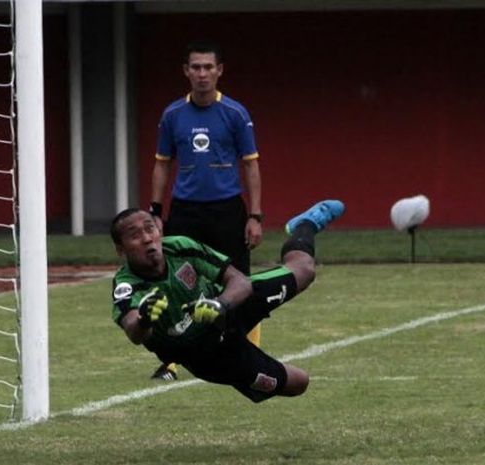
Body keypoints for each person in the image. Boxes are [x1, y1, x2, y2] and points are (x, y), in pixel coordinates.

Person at [110, 199, 345, 402]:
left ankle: (305, 224)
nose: (147, 238)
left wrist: (220, 304)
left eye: (150, 229)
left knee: (304, 270)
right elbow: (134, 332)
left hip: (228, 307)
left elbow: (239, 281)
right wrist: (144, 319)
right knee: (299, 383)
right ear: (121, 250)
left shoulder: (180, 247)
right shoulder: (126, 285)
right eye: (135, 236)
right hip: (208, 356)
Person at [148, 39, 263, 380]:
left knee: (238, 280)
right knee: (179, 281)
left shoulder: (235, 114)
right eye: (195, 67)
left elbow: (252, 166)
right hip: (186, 211)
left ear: (219, 71)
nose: (202, 73)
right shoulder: (172, 115)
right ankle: (171, 359)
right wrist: (155, 209)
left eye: (208, 67)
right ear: (186, 72)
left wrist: (255, 216)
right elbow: (161, 164)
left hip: (228, 210)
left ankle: (246, 350)